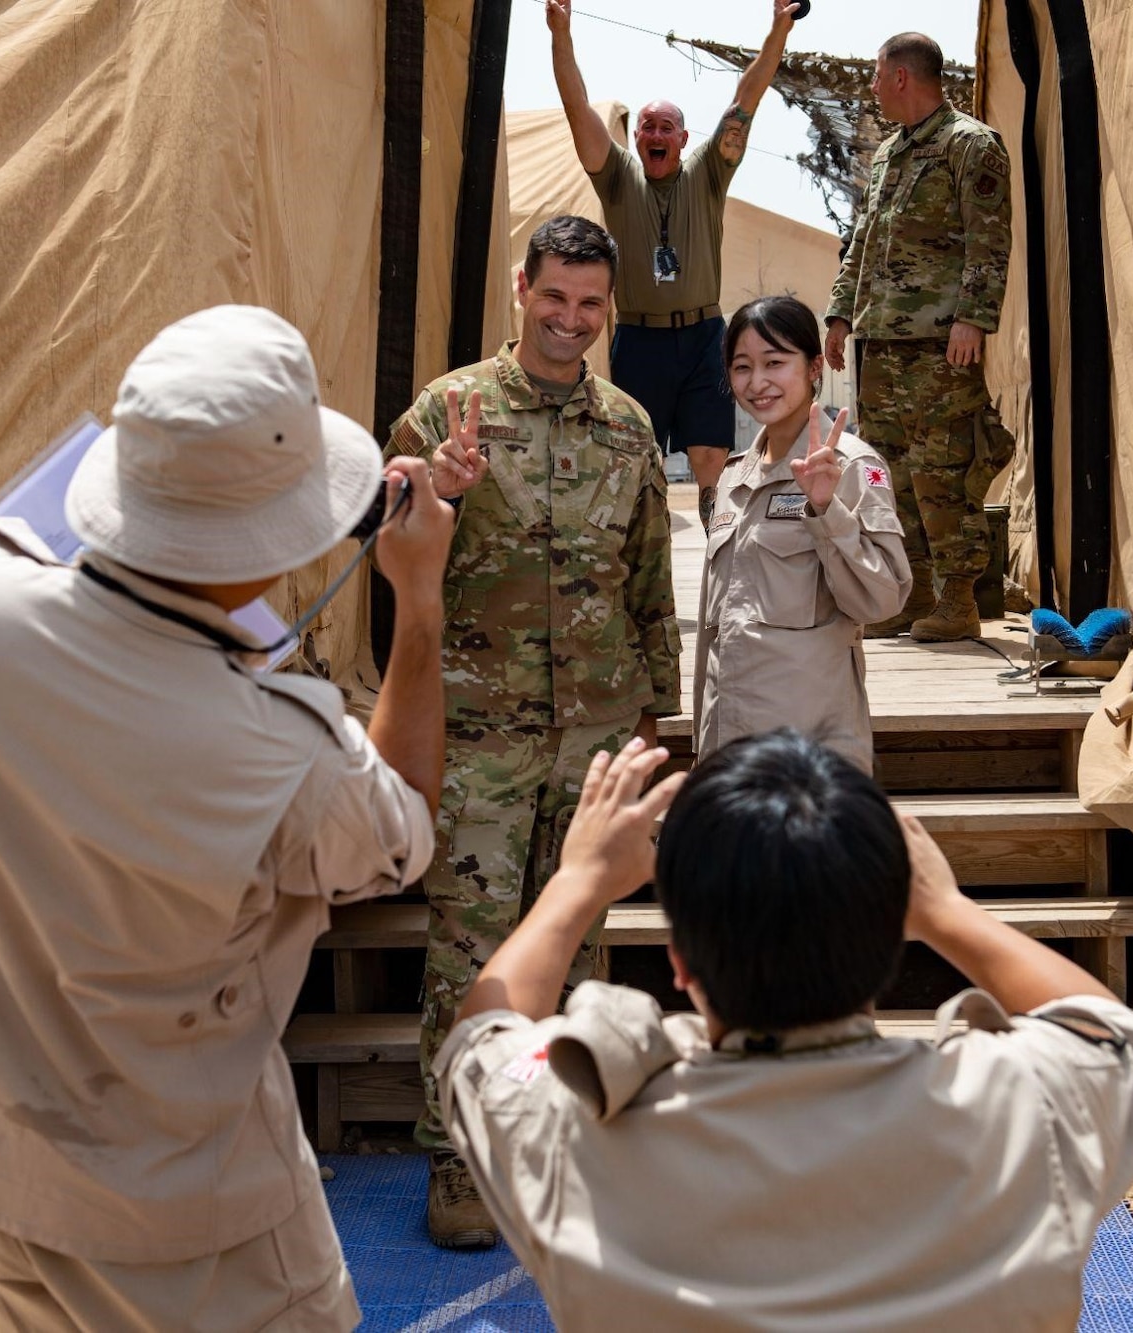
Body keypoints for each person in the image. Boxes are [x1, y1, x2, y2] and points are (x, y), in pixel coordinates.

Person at [0, 306, 457, 1332]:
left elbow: (63, 556)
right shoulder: (281, 753)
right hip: (174, 1216)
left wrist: (181, 511)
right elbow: (402, 823)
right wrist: (419, 601)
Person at [438, 729, 1133, 1331]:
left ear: (679, 962)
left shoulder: (573, 1136)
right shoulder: (1027, 1109)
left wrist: (577, 884)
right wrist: (947, 910)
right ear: (894, 942)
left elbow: (479, 1042)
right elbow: (1110, 1029)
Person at [385, 214, 681, 1248]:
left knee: (581, 946)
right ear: (520, 287)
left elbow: (648, 576)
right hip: (477, 733)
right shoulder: (444, 411)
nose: (570, 322)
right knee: (469, 945)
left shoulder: (631, 429)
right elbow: (384, 552)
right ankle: (461, 1156)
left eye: (589, 306)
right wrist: (441, 497)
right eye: (553, 299)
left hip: (593, 734)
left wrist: (656, 714)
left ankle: (568, 1141)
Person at [549, 0, 803, 528]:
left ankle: (718, 572)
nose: (657, 136)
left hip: (704, 338)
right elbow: (577, 109)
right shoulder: (617, 176)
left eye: (667, 128)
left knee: (712, 460)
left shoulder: (709, 171)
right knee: (634, 463)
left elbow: (745, 100)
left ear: (684, 139)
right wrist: (561, 33)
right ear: (635, 138)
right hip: (640, 342)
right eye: (648, 128)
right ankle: (641, 585)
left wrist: (778, 27)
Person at [825, 32, 1017, 642]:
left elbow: (988, 238)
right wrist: (838, 315)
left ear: (902, 77)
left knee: (944, 468)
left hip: (939, 343)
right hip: (881, 341)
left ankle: (959, 599)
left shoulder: (971, 146)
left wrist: (974, 317)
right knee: (887, 470)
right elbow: (862, 241)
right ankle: (909, 594)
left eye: (879, 77)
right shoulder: (888, 155)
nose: (875, 88)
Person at [700, 295, 912, 774]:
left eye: (775, 363)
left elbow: (883, 599)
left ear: (815, 366)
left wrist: (826, 509)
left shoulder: (853, 466)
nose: (757, 383)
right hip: (727, 745)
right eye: (742, 366)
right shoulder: (734, 476)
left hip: (808, 756)